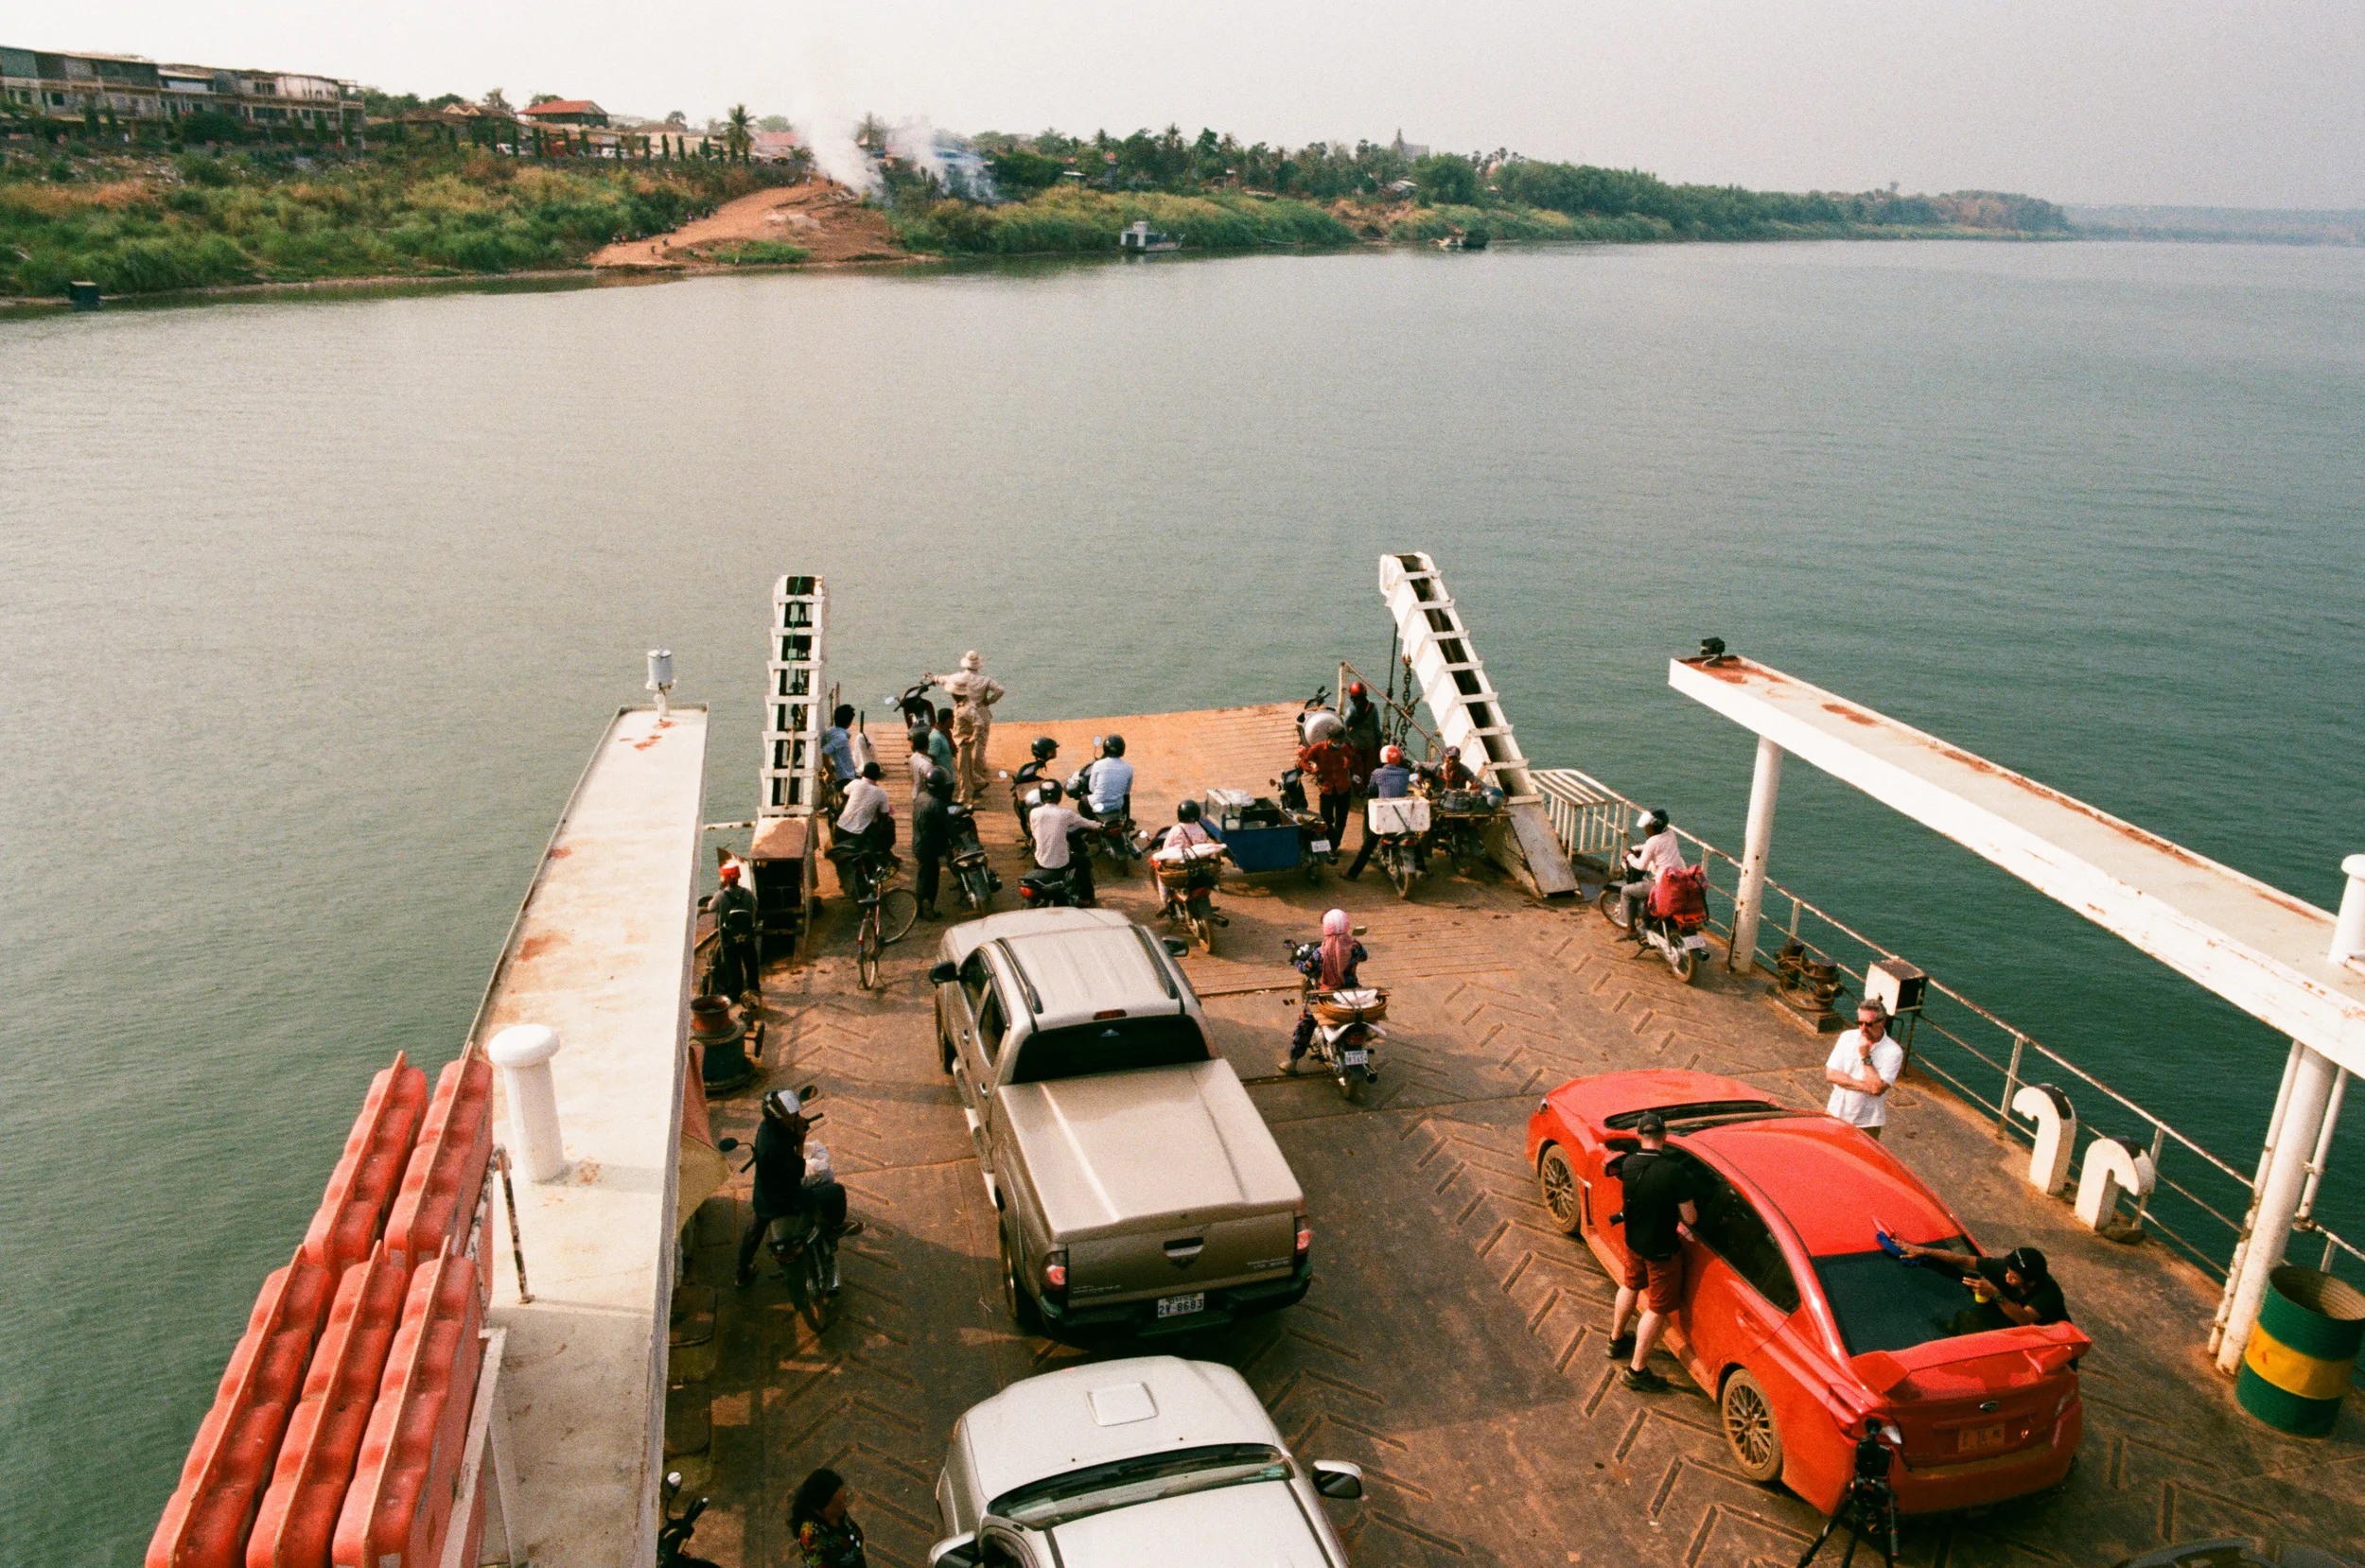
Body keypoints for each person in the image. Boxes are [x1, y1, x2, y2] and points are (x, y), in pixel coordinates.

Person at [1604, 1111, 1703, 1392]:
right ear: (1664, 1137)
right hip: (1661, 1251)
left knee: (1630, 1285)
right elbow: (1691, 1218)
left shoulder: (1629, 1164)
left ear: (1639, 1136)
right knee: (1657, 1309)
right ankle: (1637, 1371)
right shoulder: (1675, 1172)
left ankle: (1616, 1340)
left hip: (1634, 1241)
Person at [736, 1089, 860, 1289]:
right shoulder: (776, 1149)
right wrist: (801, 1141)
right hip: (788, 1200)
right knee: (837, 1191)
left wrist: (795, 1130)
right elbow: (798, 1173)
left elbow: (784, 1143)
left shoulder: (765, 1129)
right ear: (779, 1118)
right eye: (792, 1116)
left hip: (763, 1199)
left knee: (754, 1231)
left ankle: (742, 1271)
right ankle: (835, 1228)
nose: (797, 1118)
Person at [1893, 1240, 2072, 1328]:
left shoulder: (2049, 1294)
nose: (2007, 1277)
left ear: (2031, 1282)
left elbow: (2024, 1318)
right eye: (2008, 1272)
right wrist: (1924, 1251)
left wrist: (1995, 1294)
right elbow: (1962, 1260)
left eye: (2014, 1277)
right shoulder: (2006, 1268)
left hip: (2052, 1337)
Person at [1284, 909, 1366, 1072]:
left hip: (1326, 997)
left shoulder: (1320, 952)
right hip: (1352, 995)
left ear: (1326, 927)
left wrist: (1295, 962)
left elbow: (1305, 968)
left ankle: (1292, 1063)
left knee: (1304, 1024)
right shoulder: (1355, 946)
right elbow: (1364, 956)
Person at [1825, 998, 1905, 1140]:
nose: (1862, 1028)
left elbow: (1877, 1089)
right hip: (1835, 1112)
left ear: (1882, 1022)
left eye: (1868, 1024)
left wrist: (1865, 1057)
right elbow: (1831, 1074)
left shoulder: (1893, 1052)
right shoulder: (1847, 1038)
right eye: (1859, 1023)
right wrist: (1866, 1085)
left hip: (1865, 1124)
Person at [933, 651, 1005, 806]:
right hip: (981, 710)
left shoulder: (958, 678)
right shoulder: (985, 680)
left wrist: (934, 678)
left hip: (964, 719)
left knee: (963, 763)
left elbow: (944, 679)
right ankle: (978, 776)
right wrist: (989, 701)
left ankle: (970, 788)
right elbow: (1000, 690)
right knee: (980, 748)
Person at [1345, 744, 1419, 880]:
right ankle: (1422, 868)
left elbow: (1372, 790)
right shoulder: (1405, 773)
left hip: (1385, 815)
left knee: (1368, 844)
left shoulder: (1377, 773)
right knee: (1413, 836)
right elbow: (1411, 779)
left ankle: (1352, 874)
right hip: (1402, 815)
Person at [1026, 778, 1098, 907]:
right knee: (1084, 861)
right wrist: (1101, 826)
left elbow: (1034, 833)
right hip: (1061, 863)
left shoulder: (1033, 813)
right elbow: (1087, 823)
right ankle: (1087, 897)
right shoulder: (1066, 814)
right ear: (1059, 796)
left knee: (1037, 855)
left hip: (1040, 861)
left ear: (1041, 796)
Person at [1620, 808, 1687, 935]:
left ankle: (1631, 930)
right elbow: (1656, 848)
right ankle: (1648, 922)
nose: (1645, 829)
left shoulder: (1653, 841)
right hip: (1678, 879)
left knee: (1626, 891)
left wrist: (1629, 855)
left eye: (1647, 827)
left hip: (1664, 883)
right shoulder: (1670, 833)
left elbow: (1641, 866)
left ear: (1653, 827)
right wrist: (1639, 848)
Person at [833, 762, 895, 899]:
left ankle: (843, 882)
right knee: (869, 854)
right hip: (857, 834)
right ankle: (871, 881)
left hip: (840, 829)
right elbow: (884, 816)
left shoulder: (855, 783)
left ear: (862, 774)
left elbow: (844, 793)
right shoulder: (881, 793)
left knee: (841, 857)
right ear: (877, 776)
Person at [789, 1467, 868, 1568]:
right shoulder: (812, 1540)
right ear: (819, 1509)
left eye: (843, 1498)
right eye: (837, 1504)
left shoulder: (838, 1513)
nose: (843, 1507)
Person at [1297, 728, 1355, 859]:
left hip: (1343, 788)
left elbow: (1351, 757)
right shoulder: (1318, 748)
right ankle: (1333, 844)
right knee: (1326, 820)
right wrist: (1312, 770)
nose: (1339, 743)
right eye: (1337, 741)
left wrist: (1347, 764)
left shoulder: (1344, 748)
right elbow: (1303, 761)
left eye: (1341, 741)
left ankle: (1333, 847)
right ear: (1330, 739)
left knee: (1341, 821)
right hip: (1327, 789)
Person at [709, 861, 762, 1002]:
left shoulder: (720, 895)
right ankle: (754, 989)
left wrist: (720, 891)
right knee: (751, 964)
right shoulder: (748, 893)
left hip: (728, 938)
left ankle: (735, 994)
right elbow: (754, 905)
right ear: (738, 877)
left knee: (733, 966)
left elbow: (710, 908)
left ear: (724, 879)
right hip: (747, 936)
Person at [911, 769, 952, 919]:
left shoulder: (921, 797)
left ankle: (920, 907)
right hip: (930, 848)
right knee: (930, 879)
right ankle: (927, 909)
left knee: (923, 877)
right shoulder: (936, 804)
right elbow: (948, 828)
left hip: (919, 843)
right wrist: (957, 843)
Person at [1081, 734, 1133, 823]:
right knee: (1126, 796)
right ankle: (1126, 820)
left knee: (1083, 799)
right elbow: (1126, 792)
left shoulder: (1098, 764)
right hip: (1117, 807)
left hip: (1098, 806)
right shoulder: (1129, 768)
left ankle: (1089, 824)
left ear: (1105, 748)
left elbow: (1091, 788)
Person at [1342, 682, 1382, 789]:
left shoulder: (1351, 711)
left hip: (1356, 744)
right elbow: (1377, 728)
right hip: (1371, 743)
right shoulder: (1373, 707)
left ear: (1352, 697)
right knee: (1370, 768)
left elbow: (1345, 728)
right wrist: (1379, 744)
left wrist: (1346, 744)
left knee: (1357, 770)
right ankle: (1371, 788)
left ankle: (1359, 790)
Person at [819, 705, 859, 787]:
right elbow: (824, 752)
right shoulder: (841, 739)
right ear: (850, 722)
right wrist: (830, 773)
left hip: (843, 773)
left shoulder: (830, 731)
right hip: (845, 777)